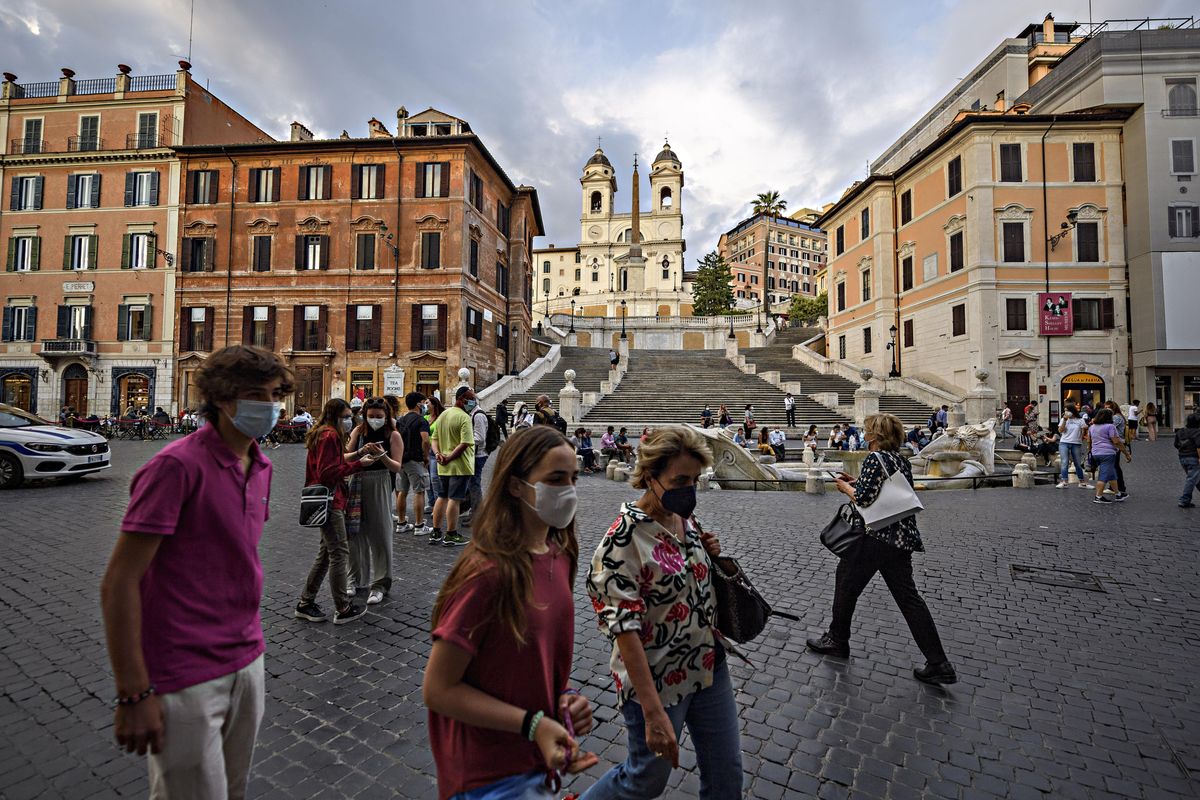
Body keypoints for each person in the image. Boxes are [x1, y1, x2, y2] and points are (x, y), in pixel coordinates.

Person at [100, 345, 294, 797]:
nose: (269, 407)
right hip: (184, 669)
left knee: (233, 790)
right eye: (255, 396)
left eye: (274, 395)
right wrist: (133, 691)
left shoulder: (261, 466)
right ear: (222, 398)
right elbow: (120, 581)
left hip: (248, 659)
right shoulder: (175, 467)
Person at [423, 426, 596, 799]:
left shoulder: (561, 554)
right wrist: (534, 724)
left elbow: (528, 660)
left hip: (534, 762)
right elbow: (438, 689)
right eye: (555, 479)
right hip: (488, 776)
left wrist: (562, 697)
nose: (568, 490)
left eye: (573, 478)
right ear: (516, 486)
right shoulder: (487, 574)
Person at [582, 427, 742, 799]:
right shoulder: (621, 541)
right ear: (650, 476)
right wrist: (652, 712)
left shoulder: (683, 519)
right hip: (657, 682)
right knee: (644, 781)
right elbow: (624, 631)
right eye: (680, 481)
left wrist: (712, 555)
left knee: (727, 775)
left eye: (695, 480)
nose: (690, 490)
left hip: (709, 666)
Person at [808, 412, 957, 686]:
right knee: (909, 599)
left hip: (875, 538)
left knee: (845, 583)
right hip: (901, 540)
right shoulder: (900, 460)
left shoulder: (875, 458)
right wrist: (857, 480)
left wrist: (846, 488)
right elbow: (889, 490)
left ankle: (837, 640)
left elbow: (864, 499)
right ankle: (939, 663)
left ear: (875, 436)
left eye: (867, 430)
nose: (864, 434)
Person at [296, 399, 372, 626]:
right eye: (346, 416)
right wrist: (359, 464)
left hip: (329, 498)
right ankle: (342, 607)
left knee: (326, 554)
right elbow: (328, 472)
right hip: (331, 500)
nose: (350, 420)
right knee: (339, 552)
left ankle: (306, 602)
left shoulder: (322, 433)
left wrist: (357, 455)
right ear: (335, 416)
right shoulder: (329, 436)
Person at [346, 397, 404, 603]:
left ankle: (380, 584)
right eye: (371, 416)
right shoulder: (357, 431)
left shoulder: (394, 435)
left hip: (380, 481)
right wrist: (360, 452)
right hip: (357, 480)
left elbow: (397, 466)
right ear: (364, 415)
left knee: (380, 533)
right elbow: (345, 457)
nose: (375, 420)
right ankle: (355, 579)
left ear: (386, 416)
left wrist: (382, 456)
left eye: (379, 416)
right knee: (355, 533)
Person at [431, 387, 476, 547]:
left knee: (441, 497)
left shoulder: (443, 415)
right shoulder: (464, 417)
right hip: (460, 465)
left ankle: (435, 532)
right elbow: (465, 443)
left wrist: (437, 454)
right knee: (454, 499)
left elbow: (434, 439)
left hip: (443, 465)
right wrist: (450, 457)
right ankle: (451, 533)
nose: (473, 402)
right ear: (462, 399)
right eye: (471, 399)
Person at [396, 392, 433, 538]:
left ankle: (401, 523)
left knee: (402, 491)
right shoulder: (421, 420)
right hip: (415, 459)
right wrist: (426, 457)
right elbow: (425, 440)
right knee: (419, 491)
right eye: (424, 402)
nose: (425, 405)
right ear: (418, 404)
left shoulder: (401, 420)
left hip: (402, 459)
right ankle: (419, 525)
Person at [1087, 407, 1130, 505]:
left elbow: (1089, 441)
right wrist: (1126, 453)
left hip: (1096, 453)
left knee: (1111, 474)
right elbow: (1116, 441)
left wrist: (1091, 450)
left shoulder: (1092, 427)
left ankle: (1118, 494)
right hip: (1107, 453)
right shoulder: (1110, 427)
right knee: (1103, 476)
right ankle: (1098, 496)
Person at [462, 392, 491, 524]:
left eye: (466, 402)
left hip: (478, 454)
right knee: (472, 483)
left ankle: (478, 514)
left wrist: (463, 442)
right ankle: (472, 510)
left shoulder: (478, 415)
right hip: (475, 453)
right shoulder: (472, 413)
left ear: (472, 401)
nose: (465, 404)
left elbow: (479, 438)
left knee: (474, 484)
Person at [1056, 404, 1091, 489]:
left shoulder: (1080, 420)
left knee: (1078, 463)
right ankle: (1064, 482)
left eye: (1067, 410)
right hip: (1064, 442)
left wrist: (1081, 439)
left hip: (1076, 443)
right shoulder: (1063, 419)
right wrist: (1064, 420)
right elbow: (1060, 430)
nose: (1066, 412)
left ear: (1072, 411)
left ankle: (1082, 482)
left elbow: (1084, 430)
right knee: (1064, 462)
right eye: (1065, 410)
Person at [424, 396, 446, 519]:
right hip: (425, 450)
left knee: (434, 478)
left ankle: (438, 505)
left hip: (435, 451)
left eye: (427, 403)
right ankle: (431, 502)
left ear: (434, 404)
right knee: (427, 479)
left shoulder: (441, 417)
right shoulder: (425, 418)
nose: (425, 405)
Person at [1173, 413, 1200, 508]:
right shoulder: (1197, 432)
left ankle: (1186, 500)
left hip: (1182, 458)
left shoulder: (1180, 431)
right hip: (1193, 458)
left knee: (1195, 478)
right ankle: (1184, 500)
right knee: (1191, 479)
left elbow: (1176, 445)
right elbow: (1199, 447)